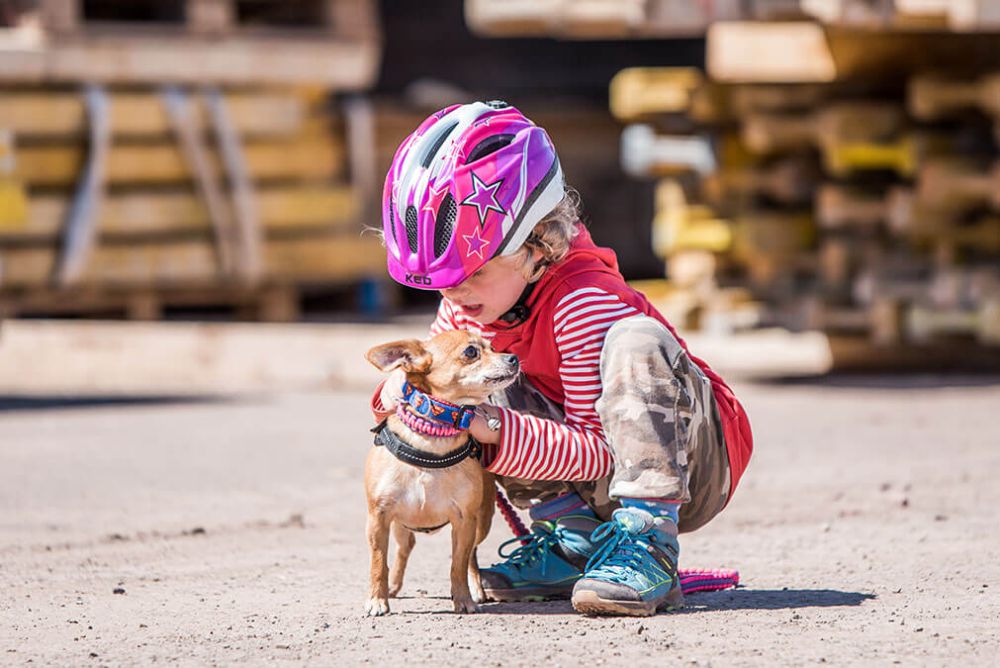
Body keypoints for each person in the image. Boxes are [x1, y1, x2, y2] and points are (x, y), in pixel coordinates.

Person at [369, 100, 752, 616]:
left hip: (689, 464)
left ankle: (647, 543)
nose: (454, 293)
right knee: (470, 377)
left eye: (473, 272)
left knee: (635, 340)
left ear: (535, 246)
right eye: (443, 282)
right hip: (592, 463)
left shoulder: (580, 299)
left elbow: (599, 450)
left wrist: (498, 430)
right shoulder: (472, 306)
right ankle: (574, 542)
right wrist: (402, 393)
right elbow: (431, 380)